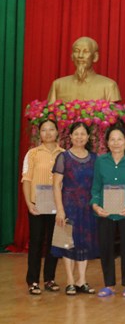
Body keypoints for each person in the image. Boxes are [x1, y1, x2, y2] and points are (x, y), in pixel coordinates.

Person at [90, 125, 125, 298]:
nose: (116, 143)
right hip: (105, 213)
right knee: (106, 248)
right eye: (112, 139)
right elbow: (95, 188)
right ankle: (109, 284)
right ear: (107, 143)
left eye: (119, 139)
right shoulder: (101, 162)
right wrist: (95, 206)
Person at [51, 122, 99, 296]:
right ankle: (70, 281)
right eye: (76, 134)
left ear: (88, 137)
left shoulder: (94, 158)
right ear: (70, 136)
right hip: (68, 206)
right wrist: (60, 209)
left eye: (83, 134)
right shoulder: (63, 157)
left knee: (84, 243)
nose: (79, 137)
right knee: (67, 244)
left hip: (87, 207)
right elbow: (56, 185)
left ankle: (82, 280)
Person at [22, 119, 65, 295]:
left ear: (57, 132)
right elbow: (26, 179)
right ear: (39, 133)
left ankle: (49, 279)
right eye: (44, 130)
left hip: (57, 204)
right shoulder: (32, 153)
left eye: (51, 129)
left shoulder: (64, 154)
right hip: (37, 203)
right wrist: (29, 203)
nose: (48, 133)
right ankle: (33, 281)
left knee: (54, 243)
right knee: (36, 242)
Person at [47, 36, 121, 102]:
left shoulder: (109, 86)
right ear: (72, 56)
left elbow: (113, 111)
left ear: (95, 57)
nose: (80, 55)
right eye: (77, 51)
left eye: (86, 52)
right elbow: (49, 111)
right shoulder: (58, 85)